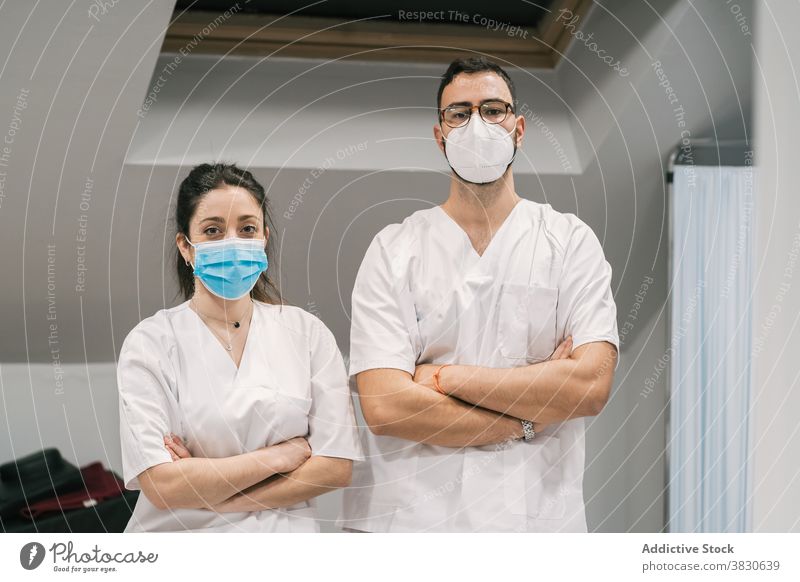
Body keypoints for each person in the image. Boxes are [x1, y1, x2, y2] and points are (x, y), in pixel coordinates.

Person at [338, 57, 619, 533]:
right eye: (459, 113)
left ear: (520, 128)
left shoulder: (569, 242)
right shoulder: (395, 249)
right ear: (439, 134)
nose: (477, 125)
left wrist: (444, 376)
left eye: (493, 110)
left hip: (535, 522)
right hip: (414, 525)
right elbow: (386, 407)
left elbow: (589, 388)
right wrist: (529, 418)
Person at [117, 163, 363, 532]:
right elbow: (163, 484)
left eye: (247, 228)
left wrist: (210, 485)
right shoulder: (151, 342)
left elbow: (334, 467)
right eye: (213, 231)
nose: (232, 242)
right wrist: (285, 454)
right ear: (186, 246)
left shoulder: (306, 333)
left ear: (263, 237)